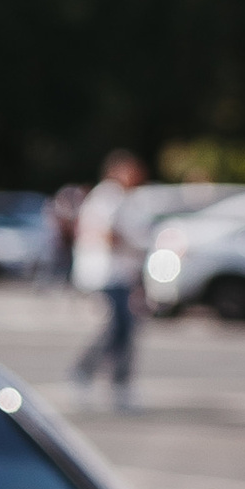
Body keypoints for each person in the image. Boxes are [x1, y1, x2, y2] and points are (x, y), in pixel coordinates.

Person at [70, 150, 148, 401]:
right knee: (117, 328)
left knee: (123, 329)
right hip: (105, 274)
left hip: (119, 274)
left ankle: (112, 382)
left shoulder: (123, 197)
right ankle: (91, 375)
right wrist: (133, 246)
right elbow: (104, 231)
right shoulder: (108, 195)